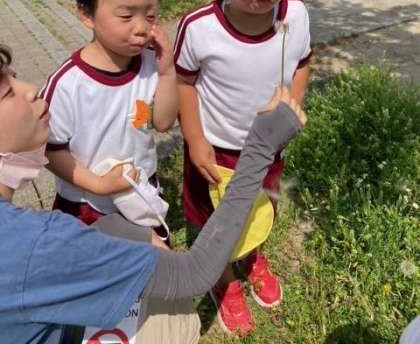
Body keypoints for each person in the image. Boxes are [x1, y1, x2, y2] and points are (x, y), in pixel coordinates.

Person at [0, 44, 306, 344]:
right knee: (175, 321)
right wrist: (261, 145)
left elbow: (162, 120)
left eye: (14, 76)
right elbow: (193, 274)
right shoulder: (34, 245)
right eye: (7, 92)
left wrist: (114, 229)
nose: (31, 90)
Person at [175, 0, 312, 334]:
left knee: (259, 210)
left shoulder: (297, 15)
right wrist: (195, 140)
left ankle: (252, 257)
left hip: (267, 148)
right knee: (215, 222)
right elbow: (183, 84)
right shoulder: (199, 28)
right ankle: (225, 278)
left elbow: (303, 62)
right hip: (216, 153)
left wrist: (292, 105)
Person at [39, 0, 177, 247]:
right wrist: (99, 184)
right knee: (92, 264)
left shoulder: (150, 65)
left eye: (151, 16)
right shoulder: (69, 84)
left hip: (139, 191)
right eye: (126, 16)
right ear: (86, 14)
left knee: (150, 262)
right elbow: (50, 151)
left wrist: (168, 73)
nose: (141, 28)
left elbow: (163, 123)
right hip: (86, 203)